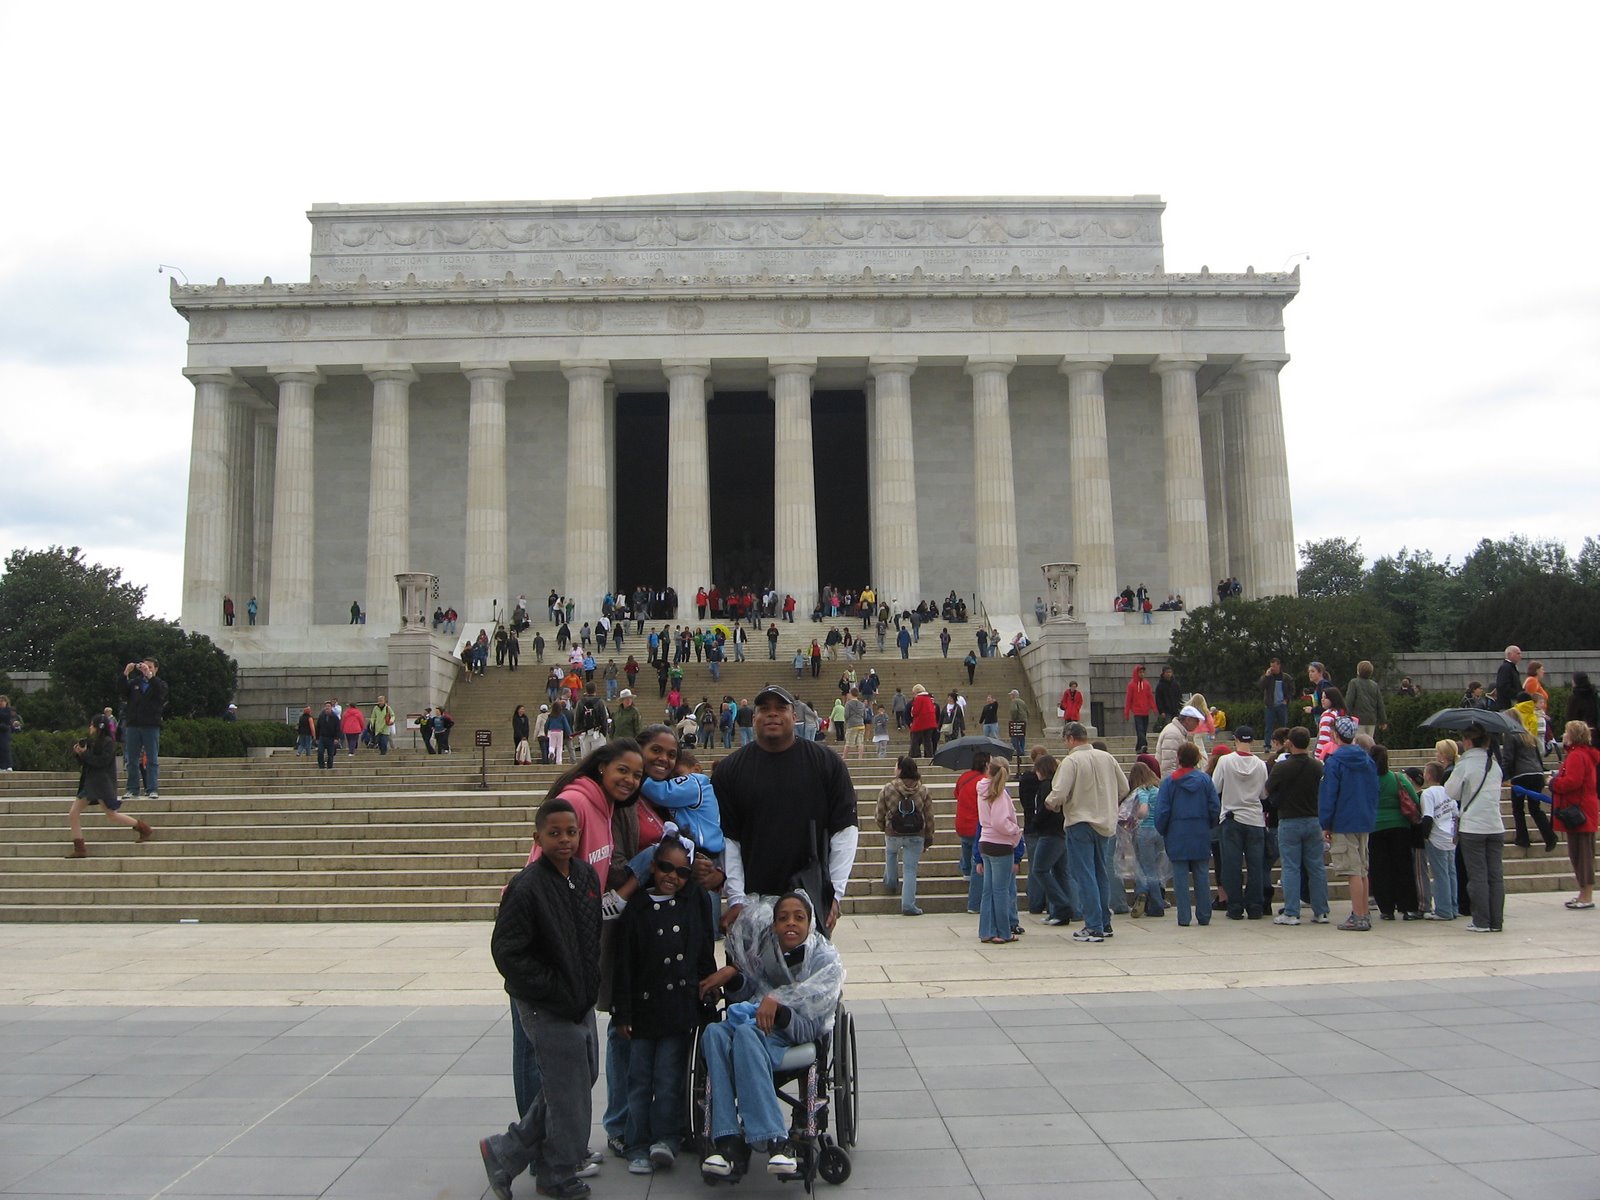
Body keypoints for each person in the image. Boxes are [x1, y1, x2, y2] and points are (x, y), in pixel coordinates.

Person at [478, 798, 604, 1200]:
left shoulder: (585, 876)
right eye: (554, 833)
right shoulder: (526, 886)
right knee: (567, 1092)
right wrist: (551, 988)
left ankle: (505, 1151)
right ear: (538, 838)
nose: (564, 840)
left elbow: (592, 936)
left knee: (580, 1078)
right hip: (545, 1003)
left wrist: (588, 983)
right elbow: (507, 952)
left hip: (579, 1000)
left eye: (571, 832)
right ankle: (556, 1173)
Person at [697, 894, 846, 1180]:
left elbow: (812, 1028)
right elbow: (749, 992)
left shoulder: (822, 960)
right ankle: (727, 1138)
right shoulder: (766, 952)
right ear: (774, 925)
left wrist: (779, 1009)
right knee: (714, 1033)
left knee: (745, 1034)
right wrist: (733, 976)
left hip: (789, 1033)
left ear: (810, 924)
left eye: (799, 918)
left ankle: (776, 1139)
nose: (791, 923)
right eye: (783, 918)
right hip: (754, 1024)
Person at [711, 685, 859, 934]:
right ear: (754, 718)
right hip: (753, 900)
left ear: (794, 716)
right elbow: (729, 839)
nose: (772, 714)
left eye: (781, 708)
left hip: (810, 899)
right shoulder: (730, 771)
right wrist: (736, 898)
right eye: (764, 709)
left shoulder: (827, 764)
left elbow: (844, 830)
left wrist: (834, 893)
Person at [611, 836, 717, 1176]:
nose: (672, 877)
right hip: (642, 1010)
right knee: (640, 1079)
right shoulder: (637, 907)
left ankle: (666, 1138)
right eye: (666, 868)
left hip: (678, 1008)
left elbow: (703, 949)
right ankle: (636, 1143)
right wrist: (622, 1012)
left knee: (670, 1077)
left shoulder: (692, 902)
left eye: (682, 872)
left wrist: (708, 990)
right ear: (653, 867)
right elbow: (623, 965)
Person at [1044, 722, 1129, 943]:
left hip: (1080, 821)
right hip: (1105, 822)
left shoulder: (1071, 761)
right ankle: (1104, 922)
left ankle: (1093, 926)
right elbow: (1124, 787)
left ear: (1070, 738)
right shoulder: (1107, 758)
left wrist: (1050, 803)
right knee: (1100, 873)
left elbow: (1059, 793)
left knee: (1084, 874)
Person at [1319, 715, 1379, 930]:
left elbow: (1329, 794)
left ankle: (1358, 916)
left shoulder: (1335, 761)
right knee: (1362, 869)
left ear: (1336, 735)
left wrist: (1326, 823)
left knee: (1352, 870)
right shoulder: (1367, 760)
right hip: (1364, 818)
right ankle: (1363, 912)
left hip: (1344, 819)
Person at [1152, 742, 1221, 927]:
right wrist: (1209, 825)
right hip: (1200, 830)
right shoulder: (1205, 780)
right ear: (1197, 758)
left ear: (1178, 758)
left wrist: (1163, 829)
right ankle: (1204, 915)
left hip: (1177, 832)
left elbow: (1162, 811)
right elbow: (1215, 807)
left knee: (1180, 877)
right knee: (1202, 874)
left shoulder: (1169, 782)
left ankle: (1184, 917)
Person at [65, 714, 153, 857]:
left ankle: (143, 828)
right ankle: (79, 848)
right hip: (91, 783)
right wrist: (80, 754)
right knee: (75, 813)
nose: (90, 728)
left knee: (110, 814)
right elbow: (88, 762)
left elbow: (101, 762)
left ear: (98, 726)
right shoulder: (94, 742)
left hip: (100, 784)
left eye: (92, 725)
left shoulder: (107, 742)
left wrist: (85, 754)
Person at [1267, 727, 1329, 925]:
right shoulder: (1317, 766)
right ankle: (1321, 911)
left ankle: (1292, 912)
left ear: (1290, 743)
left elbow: (1267, 790)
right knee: (1316, 867)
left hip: (1289, 820)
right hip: (1313, 819)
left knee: (1291, 867)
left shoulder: (1282, 767)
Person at [1449, 725, 1506, 932]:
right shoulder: (1494, 765)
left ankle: (1481, 921)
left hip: (1473, 826)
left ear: (1468, 741)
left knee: (1478, 876)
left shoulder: (1465, 764)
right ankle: (1496, 921)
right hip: (1495, 824)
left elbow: (1451, 792)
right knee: (1495, 875)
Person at [1213, 726, 1269, 920]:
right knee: (1256, 866)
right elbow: (1264, 794)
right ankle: (1255, 906)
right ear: (1252, 741)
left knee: (1231, 865)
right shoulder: (1261, 765)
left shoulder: (1225, 761)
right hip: (1255, 819)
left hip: (1232, 817)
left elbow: (1215, 787)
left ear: (1235, 739)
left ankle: (1235, 907)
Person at [1366, 743, 1421, 921]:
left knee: (1380, 869)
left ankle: (1386, 908)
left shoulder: (1367, 781)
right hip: (1400, 826)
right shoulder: (1397, 778)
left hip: (1375, 827)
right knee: (1403, 867)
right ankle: (1409, 907)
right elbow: (1414, 798)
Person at [877, 756, 934, 916]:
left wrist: (883, 827)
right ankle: (908, 905)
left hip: (893, 831)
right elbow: (929, 816)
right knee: (910, 870)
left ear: (901, 770)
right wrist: (928, 838)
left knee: (891, 854)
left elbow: (879, 811)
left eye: (896, 766)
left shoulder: (888, 788)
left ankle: (890, 882)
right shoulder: (923, 790)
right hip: (916, 834)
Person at [1552, 721, 1600, 909]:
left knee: (1582, 855)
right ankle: (1583, 893)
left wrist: (1554, 783)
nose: (1563, 735)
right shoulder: (1582, 754)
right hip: (1583, 810)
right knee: (1580, 853)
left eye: (1566, 732)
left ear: (1573, 735)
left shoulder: (1577, 756)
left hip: (1579, 811)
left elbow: (1572, 781)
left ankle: (1586, 895)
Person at [975, 758, 1022, 943]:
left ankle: (987, 930)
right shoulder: (1000, 794)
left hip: (985, 841)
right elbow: (1000, 821)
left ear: (988, 770)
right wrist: (1015, 830)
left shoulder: (982, 790)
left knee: (988, 890)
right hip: (1000, 843)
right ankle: (1003, 931)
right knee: (1001, 890)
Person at [118, 658, 169, 800]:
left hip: (151, 725)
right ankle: (132, 789)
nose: (146, 669)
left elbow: (161, 693)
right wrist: (125, 674)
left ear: (156, 669)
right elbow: (122, 691)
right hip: (133, 725)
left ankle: (152, 789)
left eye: (150, 667)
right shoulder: (135, 683)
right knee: (131, 759)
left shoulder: (159, 684)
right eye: (144, 666)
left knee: (152, 759)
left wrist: (150, 676)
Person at [1120, 762, 1166, 918]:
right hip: (1159, 831)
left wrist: (1137, 818)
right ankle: (1146, 894)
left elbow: (1141, 810)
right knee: (1156, 868)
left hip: (1144, 831)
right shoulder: (1158, 790)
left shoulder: (1141, 791)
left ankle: (1154, 903)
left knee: (1145, 868)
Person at [1418, 761, 1459, 920]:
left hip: (1437, 837)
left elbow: (1427, 817)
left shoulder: (1428, 794)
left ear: (1428, 776)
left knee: (1440, 874)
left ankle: (1443, 910)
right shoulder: (1448, 791)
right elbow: (1456, 814)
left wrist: (1425, 836)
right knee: (1451, 873)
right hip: (1450, 836)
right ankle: (1453, 907)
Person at [1344, 661, 1388, 737]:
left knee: (1358, 741)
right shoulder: (1375, 685)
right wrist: (1383, 720)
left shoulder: (1354, 683)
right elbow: (1380, 704)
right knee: (1369, 741)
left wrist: (1345, 716)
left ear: (1358, 671)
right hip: (1371, 720)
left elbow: (1349, 701)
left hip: (1357, 719)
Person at [1123, 665, 1156, 754]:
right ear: (1136, 673)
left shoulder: (1146, 684)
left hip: (1145, 711)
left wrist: (1154, 708)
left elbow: (1150, 697)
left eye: (1143, 672)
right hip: (1137, 711)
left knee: (1143, 731)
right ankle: (1144, 745)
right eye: (1140, 672)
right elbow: (1128, 699)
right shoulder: (1131, 685)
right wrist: (1126, 712)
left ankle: (1139, 747)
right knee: (1140, 730)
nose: (1142, 674)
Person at [1257, 658, 1291, 737]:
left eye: (1274, 666)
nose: (1273, 669)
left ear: (1279, 665)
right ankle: (1267, 743)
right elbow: (1261, 686)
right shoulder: (1268, 677)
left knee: (1283, 727)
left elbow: (1291, 689)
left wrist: (1286, 699)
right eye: (1271, 666)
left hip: (1282, 705)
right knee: (1268, 727)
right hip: (1270, 705)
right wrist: (1266, 676)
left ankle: (1283, 741)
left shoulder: (1286, 677)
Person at [907, 685, 938, 759]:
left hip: (921, 721)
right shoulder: (928, 698)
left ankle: (915, 754)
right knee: (927, 740)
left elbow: (915, 711)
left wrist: (912, 713)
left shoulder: (918, 698)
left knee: (915, 738)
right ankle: (929, 755)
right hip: (931, 722)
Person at [1493, 645, 1523, 711]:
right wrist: (1518, 695)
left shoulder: (1510, 667)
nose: (1520, 656)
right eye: (1518, 653)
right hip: (1507, 705)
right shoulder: (1505, 668)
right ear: (1509, 654)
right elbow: (1503, 686)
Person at [314, 701, 340, 770]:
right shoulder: (321, 716)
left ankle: (329, 766)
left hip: (331, 738)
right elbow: (318, 727)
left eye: (328, 706)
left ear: (331, 707)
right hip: (322, 737)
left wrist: (336, 738)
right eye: (326, 706)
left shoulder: (335, 717)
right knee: (320, 752)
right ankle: (321, 765)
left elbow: (337, 728)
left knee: (330, 754)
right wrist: (317, 738)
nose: (327, 708)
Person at [1007, 689, 1030, 757]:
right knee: (1022, 736)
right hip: (1024, 721)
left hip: (1017, 721)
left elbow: (1014, 710)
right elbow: (1027, 711)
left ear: (1013, 695)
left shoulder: (1014, 701)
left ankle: (1019, 751)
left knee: (1014, 738)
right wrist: (1026, 719)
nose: (1010, 696)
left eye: (1011, 695)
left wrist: (1013, 719)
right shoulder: (1022, 702)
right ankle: (1022, 750)